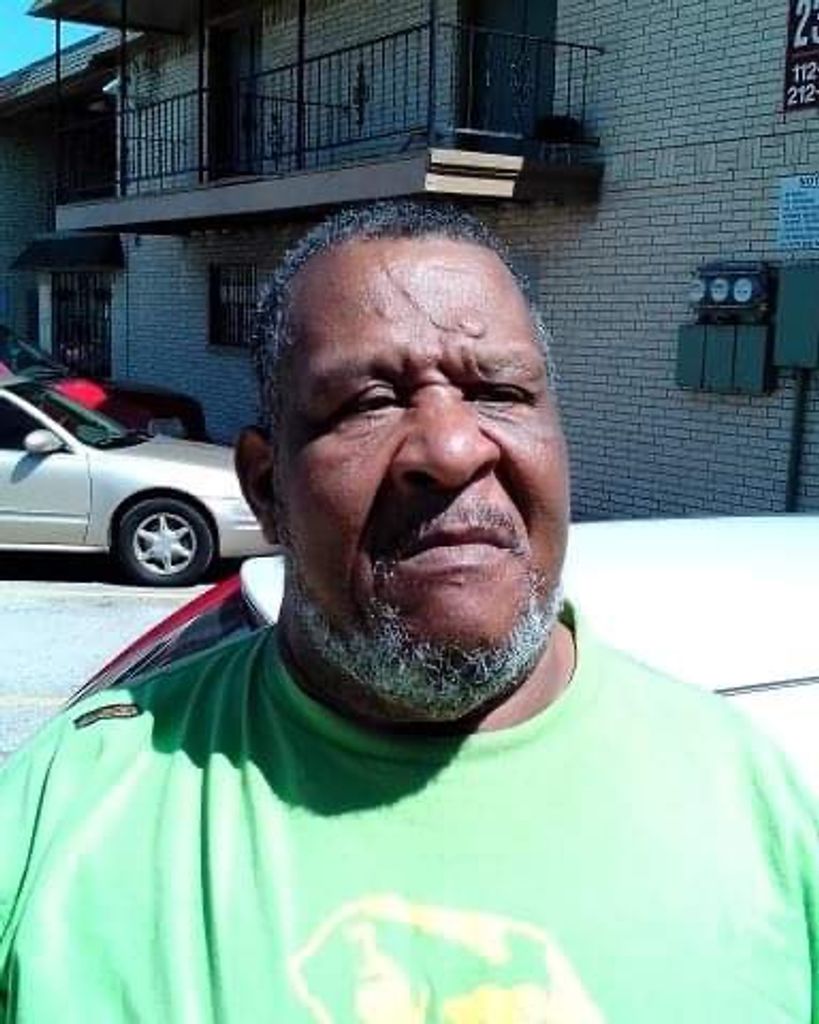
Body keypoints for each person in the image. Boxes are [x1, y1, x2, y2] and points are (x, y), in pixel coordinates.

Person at [0, 201, 816, 1023]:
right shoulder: (60, 813)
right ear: (266, 490)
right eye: (369, 401)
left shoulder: (758, 805)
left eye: (499, 392)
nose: (452, 450)